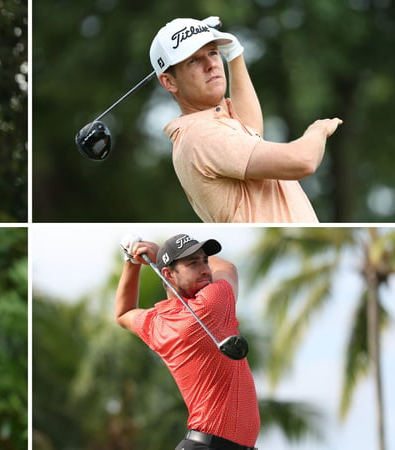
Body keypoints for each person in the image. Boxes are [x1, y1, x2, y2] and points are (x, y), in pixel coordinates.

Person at [149, 17, 342, 222]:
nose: (211, 65)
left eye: (213, 52)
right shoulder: (200, 135)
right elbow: (303, 161)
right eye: (193, 60)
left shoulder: (214, 124)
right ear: (169, 82)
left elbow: (251, 130)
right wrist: (317, 131)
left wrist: (234, 52)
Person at [116, 234, 259, 450]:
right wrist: (157, 251)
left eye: (205, 260)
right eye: (193, 263)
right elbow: (228, 267)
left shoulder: (157, 323)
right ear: (167, 275)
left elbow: (124, 312)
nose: (205, 269)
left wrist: (132, 262)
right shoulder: (211, 305)